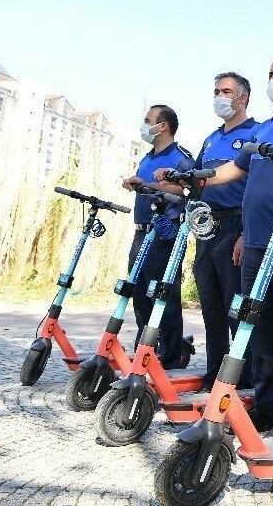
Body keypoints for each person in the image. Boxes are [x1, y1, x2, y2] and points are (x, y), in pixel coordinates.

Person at [172, 57, 273, 436]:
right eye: (271, 74)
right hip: (257, 245)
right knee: (258, 330)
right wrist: (193, 178)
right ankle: (266, 406)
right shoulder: (262, 129)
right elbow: (233, 169)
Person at [192, 72, 257, 389]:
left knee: (236, 307)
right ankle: (215, 371)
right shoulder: (210, 139)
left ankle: (244, 373)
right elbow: (194, 181)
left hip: (236, 224)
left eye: (226, 91)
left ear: (243, 97)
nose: (219, 97)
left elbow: (259, 189)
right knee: (211, 305)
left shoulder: (256, 134)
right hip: (207, 226)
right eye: (216, 91)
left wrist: (247, 233)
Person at [121, 104, 194, 369]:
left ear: (162, 126)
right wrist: (134, 184)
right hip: (141, 231)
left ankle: (171, 355)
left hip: (166, 232)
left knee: (163, 293)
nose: (144, 125)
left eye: (147, 120)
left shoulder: (181, 158)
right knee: (139, 292)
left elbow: (189, 190)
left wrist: (148, 186)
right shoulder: (147, 157)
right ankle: (146, 348)